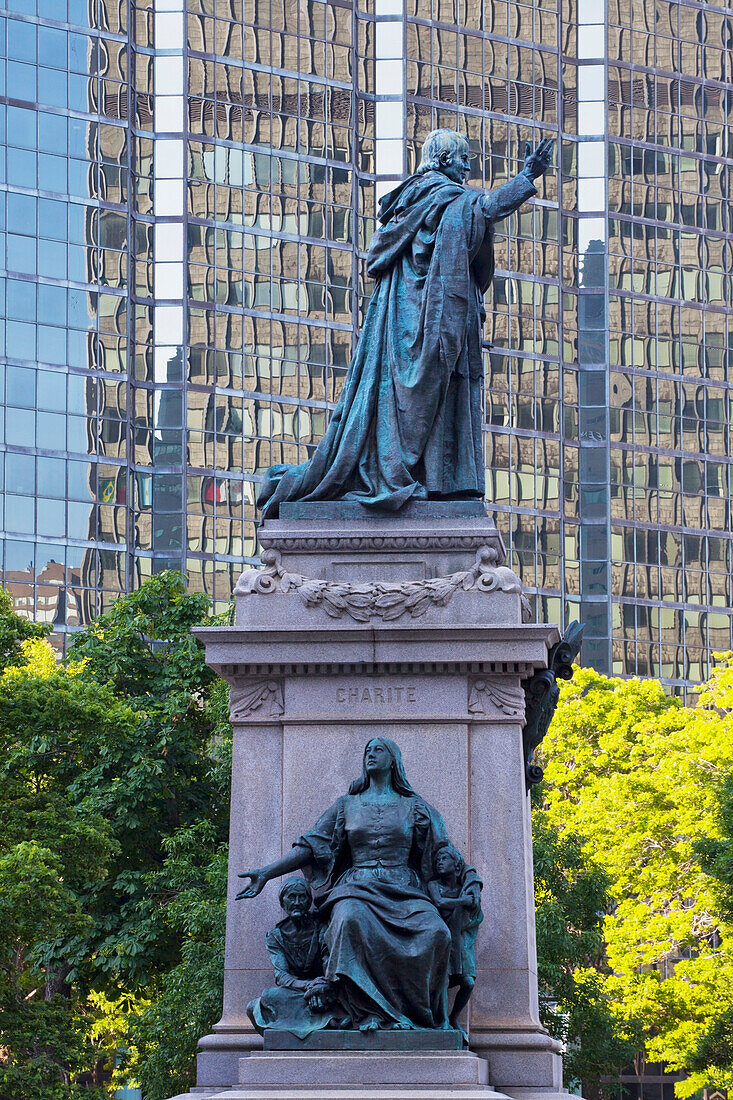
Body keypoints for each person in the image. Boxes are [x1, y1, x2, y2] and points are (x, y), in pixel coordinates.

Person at [257, 129, 554, 519]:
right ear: (445, 160)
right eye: (463, 158)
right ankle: (424, 480)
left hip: (410, 324)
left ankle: (436, 482)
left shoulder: (412, 203)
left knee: (413, 402)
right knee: (430, 398)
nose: (468, 166)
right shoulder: (446, 198)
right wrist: (526, 177)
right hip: (430, 323)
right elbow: (486, 208)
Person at [237, 737, 454, 1031]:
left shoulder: (415, 807)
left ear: (393, 761)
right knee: (348, 919)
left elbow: (442, 850)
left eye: (378, 750)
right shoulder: (346, 806)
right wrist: (266, 872)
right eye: (367, 750)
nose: (370, 754)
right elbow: (310, 846)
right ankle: (366, 1011)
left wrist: (464, 887)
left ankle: (417, 1017)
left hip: (404, 888)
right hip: (357, 886)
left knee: (437, 933)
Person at [246, 878, 342, 1038]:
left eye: (301, 897)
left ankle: (330, 1018)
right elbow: (281, 976)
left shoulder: (322, 928)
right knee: (261, 1003)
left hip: (326, 988)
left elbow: (330, 964)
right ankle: (327, 1020)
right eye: (291, 897)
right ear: (282, 902)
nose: (297, 902)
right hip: (301, 990)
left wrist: (320, 987)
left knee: (335, 998)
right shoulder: (275, 936)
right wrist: (308, 986)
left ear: (309, 901)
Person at [427, 842, 483, 1037]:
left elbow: (474, 904)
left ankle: (453, 1017)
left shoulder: (464, 885)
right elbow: (439, 902)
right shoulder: (433, 885)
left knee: (468, 982)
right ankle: (442, 1021)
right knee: (443, 980)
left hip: (460, 940)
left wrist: (468, 896)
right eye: (437, 860)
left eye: (444, 859)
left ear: (456, 864)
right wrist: (462, 901)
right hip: (442, 940)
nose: (439, 863)